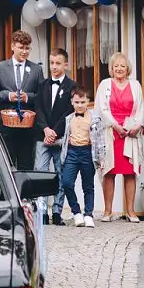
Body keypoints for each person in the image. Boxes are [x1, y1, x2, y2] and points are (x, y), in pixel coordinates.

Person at [95, 52, 144, 222]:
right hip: (111, 133)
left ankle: (131, 211)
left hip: (130, 133)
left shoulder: (135, 85)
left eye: (122, 66)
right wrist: (115, 125)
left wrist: (136, 126)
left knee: (130, 172)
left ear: (127, 69)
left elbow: (140, 109)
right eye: (116, 65)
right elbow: (102, 109)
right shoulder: (105, 84)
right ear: (111, 68)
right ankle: (108, 211)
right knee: (109, 171)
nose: (119, 68)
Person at [0, 30, 45, 170]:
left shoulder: (36, 69)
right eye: (21, 47)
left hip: (28, 128)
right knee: (7, 166)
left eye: (27, 48)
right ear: (13, 46)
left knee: (26, 166)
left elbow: (43, 96)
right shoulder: (0, 68)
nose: (24, 51)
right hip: (6, 127)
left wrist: (28, 97)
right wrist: (8, 96)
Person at [33, 48, 76, 225]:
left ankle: (57, 212)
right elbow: (38, 109)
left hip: (60, 138)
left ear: (65, 64)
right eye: (51, 63)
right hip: (43, 137)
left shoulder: (72, 86)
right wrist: (45, 130)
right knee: (41, 173)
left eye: (58, 63)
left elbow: (69, 111)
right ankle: (42, 212)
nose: (54, 67)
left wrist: (55, 132)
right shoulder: (42, 84)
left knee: (60, 173)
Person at [59, 88, 105, 228]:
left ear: (88, 102)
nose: (79, 105)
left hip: (87, 152)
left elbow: (100, 140)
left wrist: (101, 158)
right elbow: (65, 138)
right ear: (72, 102)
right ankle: (76, 212)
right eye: (77, 102)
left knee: (88, 186)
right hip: (72, 152)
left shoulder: (95, 119)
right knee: (67, 183)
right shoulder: (68, 119)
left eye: (82, 102)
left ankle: (88, 214)